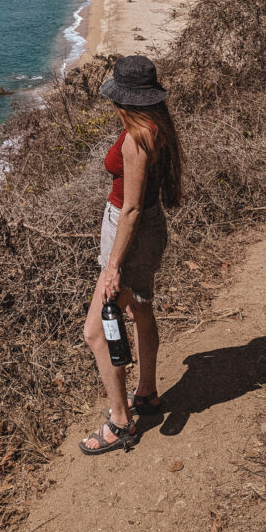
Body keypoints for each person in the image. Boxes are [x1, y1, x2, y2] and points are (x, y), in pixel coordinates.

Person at [79, 55, 182, 455]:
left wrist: (113, 267)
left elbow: (132, 209)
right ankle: (148, 394)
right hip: (147, 228)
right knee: (140, 309)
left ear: (124, 99)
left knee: (96, 330)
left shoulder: (138, 138)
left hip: (132, 232)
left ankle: (121, 421)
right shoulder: (157, 126)